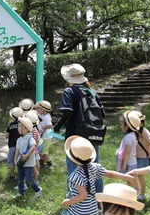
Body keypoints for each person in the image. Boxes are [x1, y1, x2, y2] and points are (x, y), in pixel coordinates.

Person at [62, 136, 138, 215]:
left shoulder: (76, 176)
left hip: (80, 212)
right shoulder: (95, 167)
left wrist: (67, 202)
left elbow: (83, 195)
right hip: (93, 209)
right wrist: (127, 177)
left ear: (72, 159)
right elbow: (110, 174)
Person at [53, 63, 106, 192]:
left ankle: (74, 203)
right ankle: (98, 200)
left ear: (69, 79)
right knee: (95, 169)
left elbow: (68, 111)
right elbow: (102, 114)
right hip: (93, 134)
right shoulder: (92, 93)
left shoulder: (69, 91)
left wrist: (58, 126)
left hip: (75, 136)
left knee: (74, 170)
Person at [132, 111, 150, 201]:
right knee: (135, 175)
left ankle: (141, 194)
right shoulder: (135, 131)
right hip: (136, 157)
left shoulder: (144, 131)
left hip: (143, 158)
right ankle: (138, 191)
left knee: (139, 175)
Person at [14, 117, 43, 199]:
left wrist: (26, 156)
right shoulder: (19, 140)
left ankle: (37, 190)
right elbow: (17, 150)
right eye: (18, 127)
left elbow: (33, 147)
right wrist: (15, 159)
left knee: (29, 178)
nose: (18, 129)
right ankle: (21, 193)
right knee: (20, 179)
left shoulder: (30, 138)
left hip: (29, 163)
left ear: (26, 128)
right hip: (21, 163)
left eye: (20, 127)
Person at [6, 107, 23, 181]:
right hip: (20, 146)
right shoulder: (23, 124)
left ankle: (12, 175)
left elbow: (6, 136)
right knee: (20, 161)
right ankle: (20, 175)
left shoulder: (10, 125)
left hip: (12, 145)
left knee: (12, 161)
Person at [36, 100, 53, 168]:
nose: (37, 110)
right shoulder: (43, 115)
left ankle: (45, 164)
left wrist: (41, 128)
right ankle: (46, 161)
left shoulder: (46, 117)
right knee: (43, 150)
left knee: (45, 151)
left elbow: (50, 125)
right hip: (44, 136)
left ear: (43, 109)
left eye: (38, 108)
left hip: (46, 137)